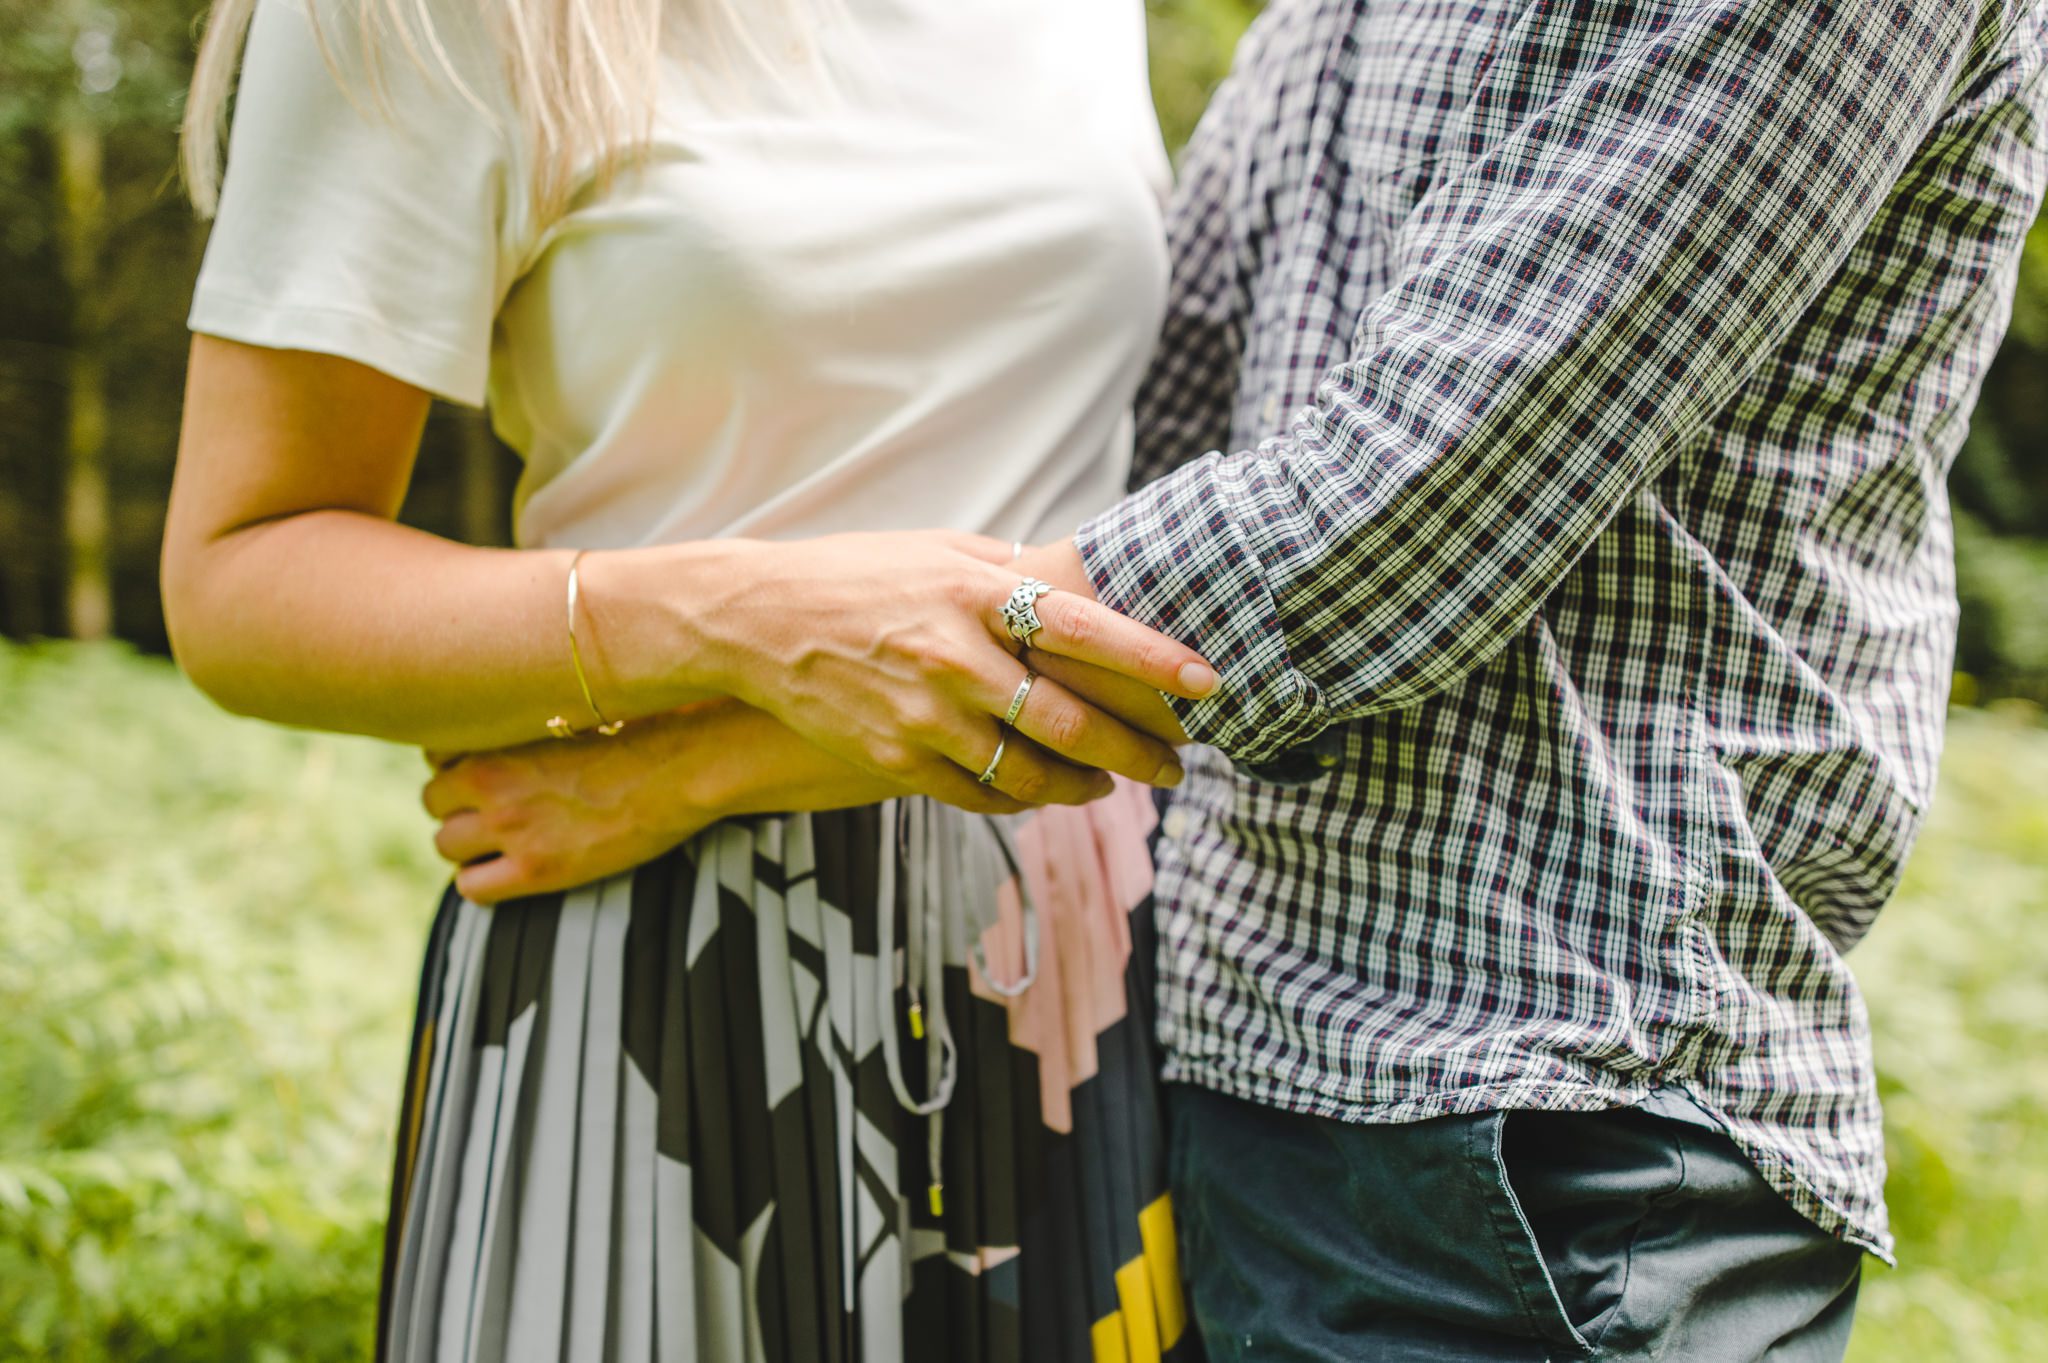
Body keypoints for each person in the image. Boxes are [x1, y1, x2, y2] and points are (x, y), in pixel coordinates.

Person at [430, 0, 2048, 1358]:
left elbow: (1381, 528)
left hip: (1550, 1141)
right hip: (1212, 1078)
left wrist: (702, 753)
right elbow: (1162, 425)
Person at [162, 0, 1216, 1358]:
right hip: (663, 974)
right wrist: (734, 618)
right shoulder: (422, 19)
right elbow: (240, 575)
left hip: (1078, 960)